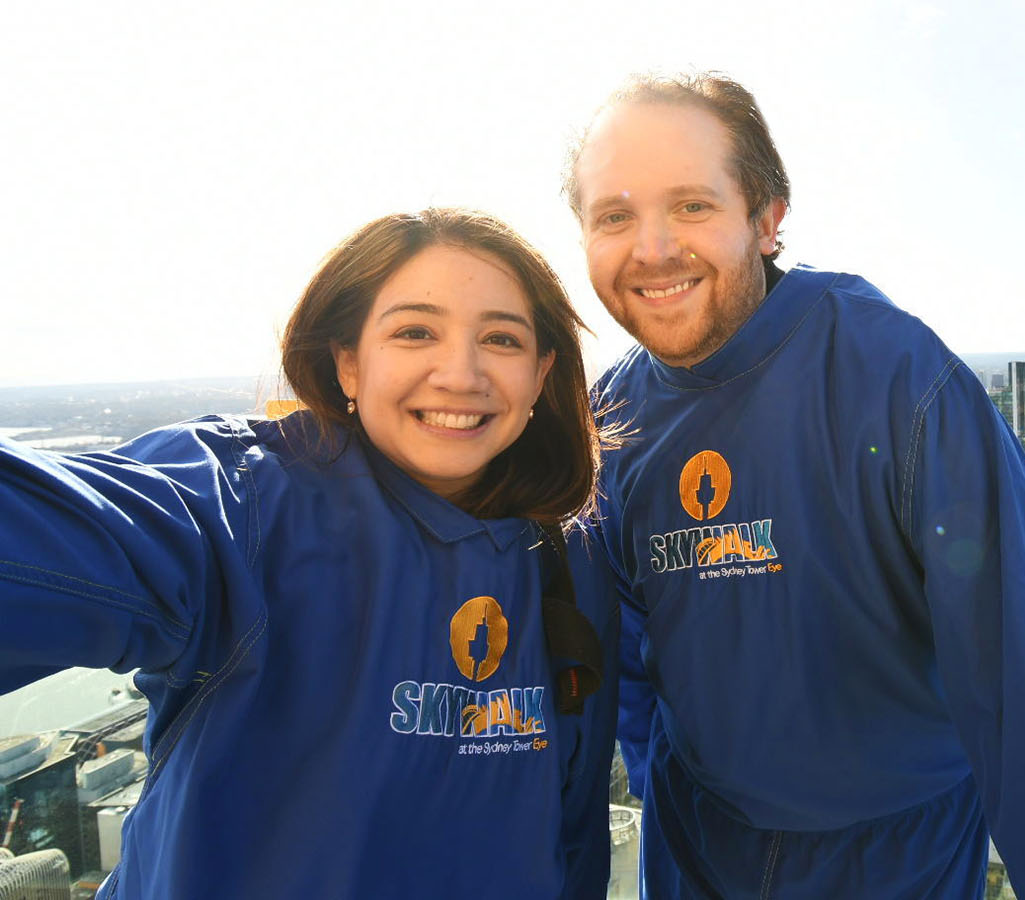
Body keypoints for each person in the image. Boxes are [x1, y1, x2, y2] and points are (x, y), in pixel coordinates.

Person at [566, 74, 1025, 898]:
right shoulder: (611, 419)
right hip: (692, 851)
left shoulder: (896, 381)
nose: (650, 248)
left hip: (894, 861)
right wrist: (656, 793)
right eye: (614, 215)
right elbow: (628, 667)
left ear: (766, 218)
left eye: (691, 206)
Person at [0, 208, 618, 898]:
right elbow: (72, 539)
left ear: (540, 375)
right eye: (415, 332)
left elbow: (575, 823)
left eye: (501, 339)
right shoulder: (250, 510)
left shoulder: (566, 557)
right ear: (348, 363)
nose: (460, 373)